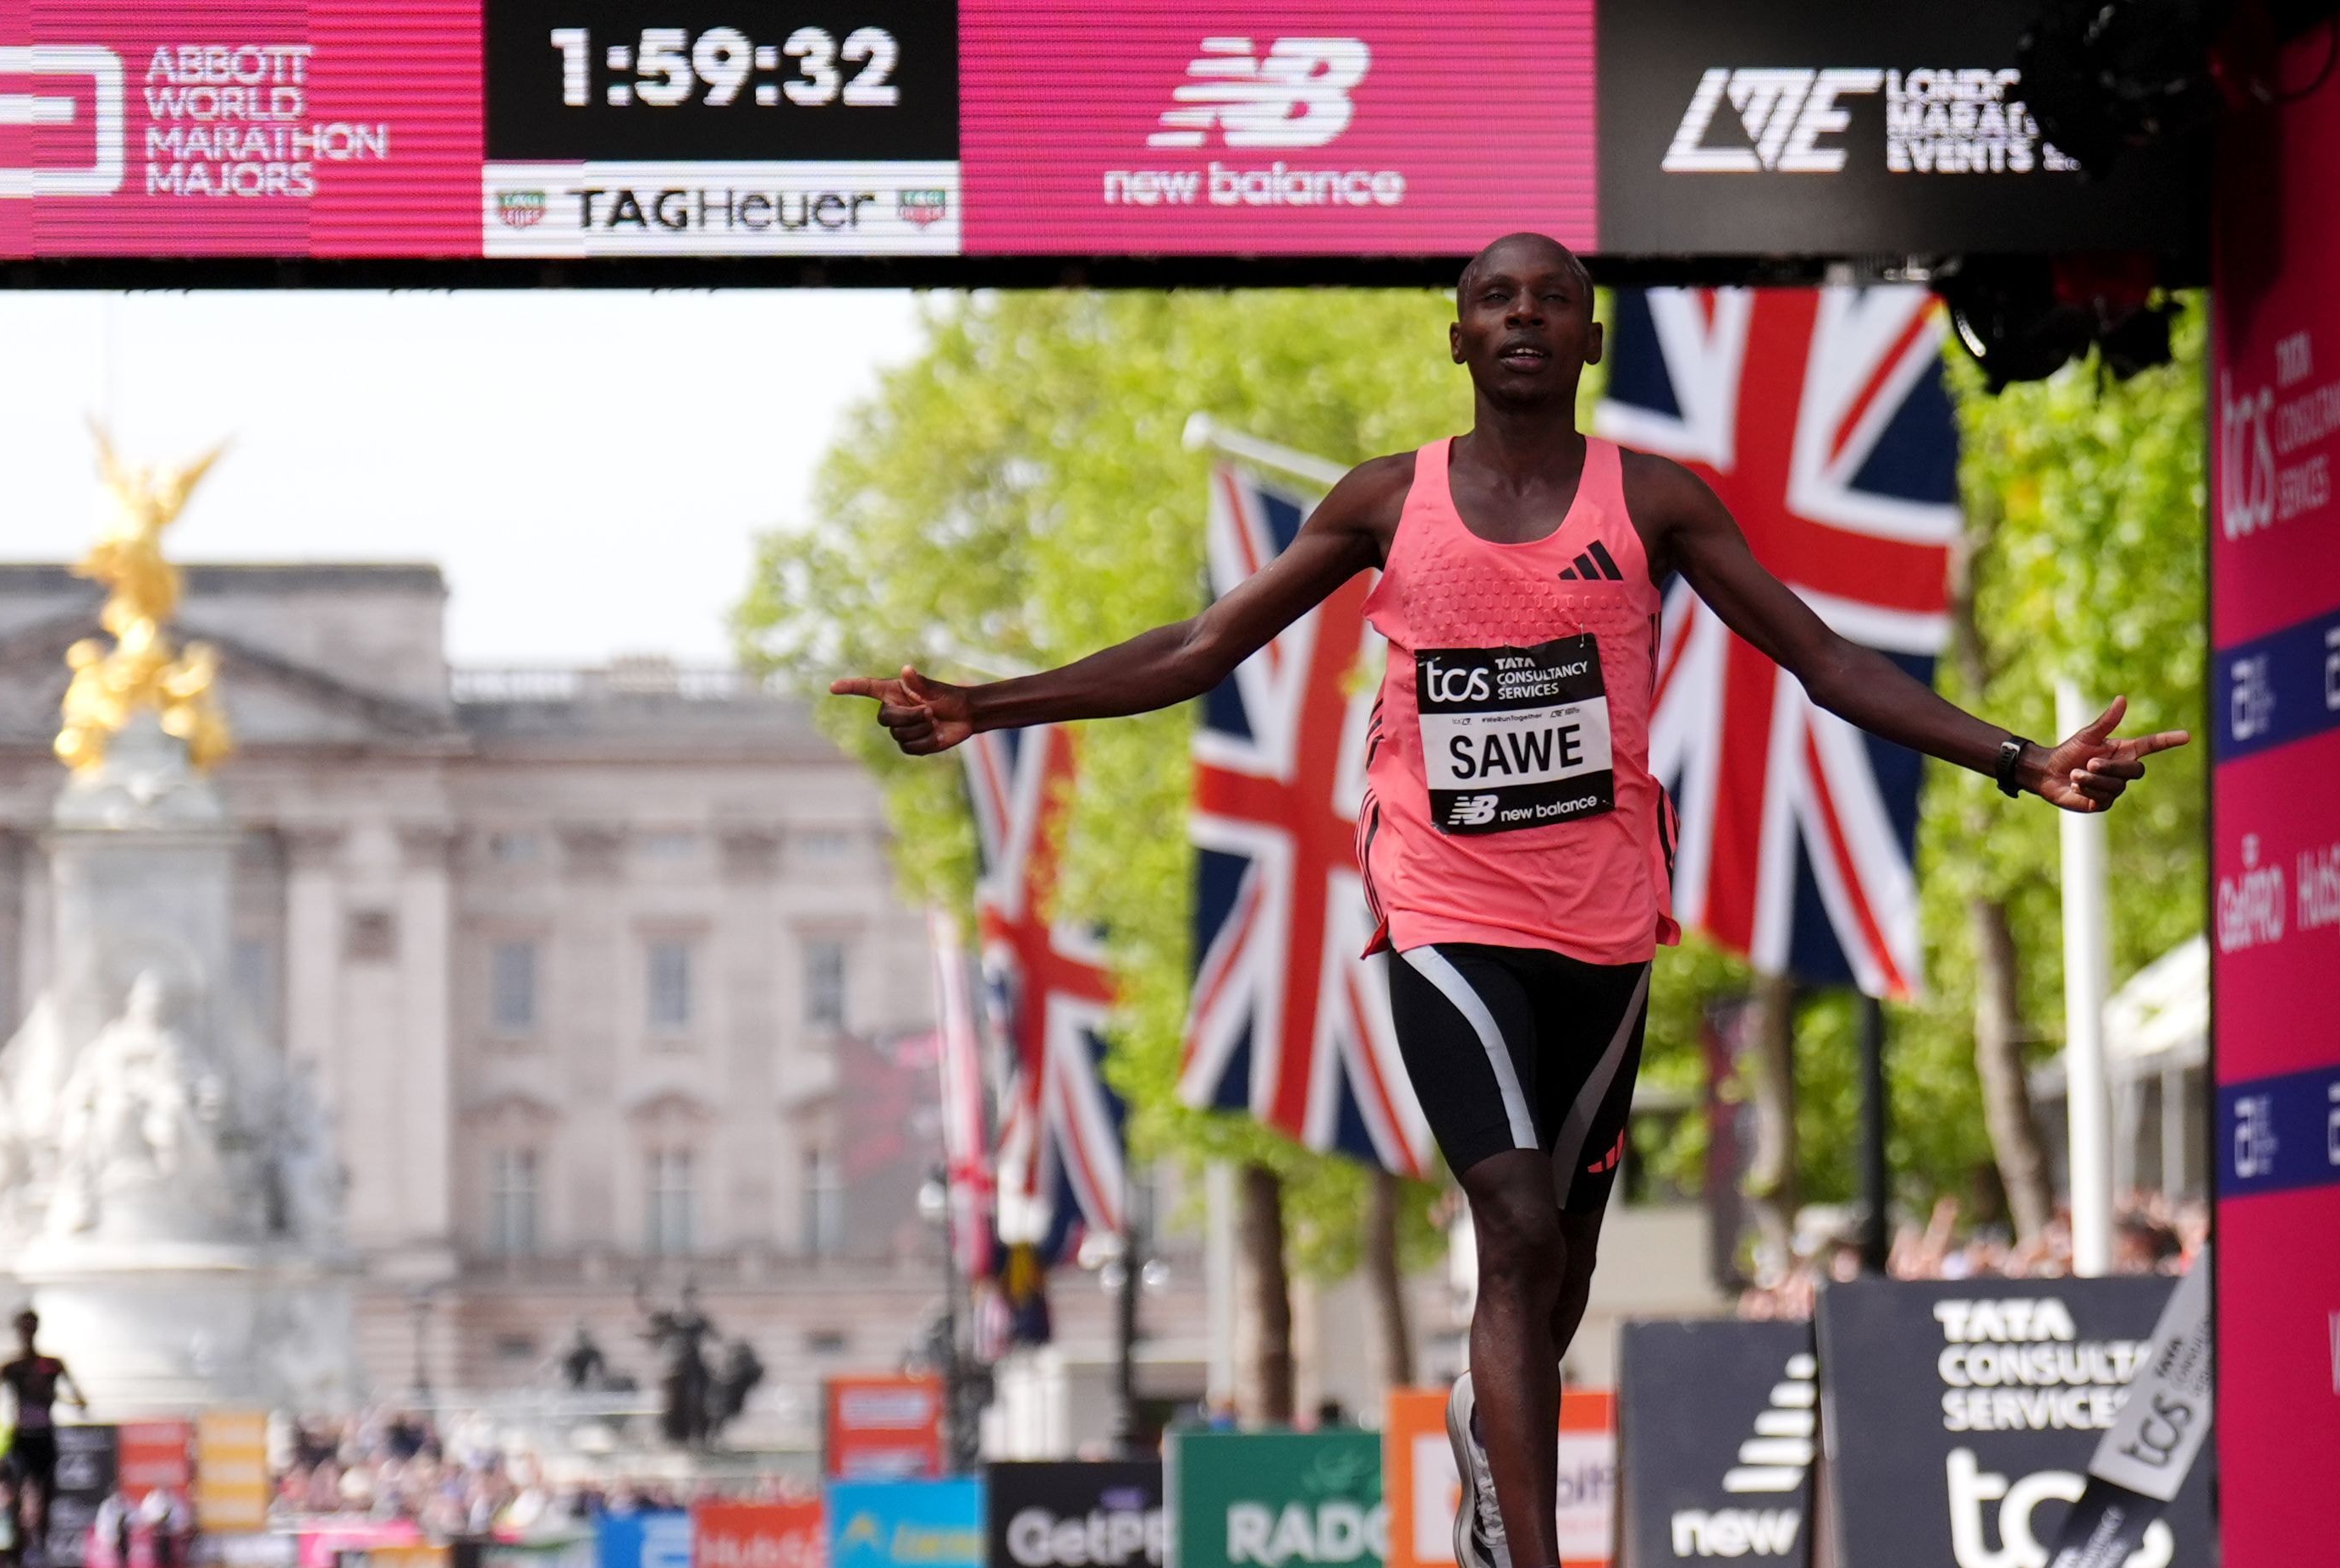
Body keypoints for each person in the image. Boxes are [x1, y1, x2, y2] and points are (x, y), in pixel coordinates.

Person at [831, 233, 2186, 1568]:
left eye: (1550, 300)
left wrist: (2018, 758)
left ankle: (1492, 1445)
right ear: (1458, 336)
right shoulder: (1386, 501)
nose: (1522, 316)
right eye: (1493, 298)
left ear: (1589, 340)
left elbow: (1823, 658)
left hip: (1604, 923)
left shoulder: (1653, 500)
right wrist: (984, 707)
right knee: (1516, 1225)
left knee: (1559, 1269)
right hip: (1443, 909)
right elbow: (1200, 645)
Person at [0, 1309, 87, 1564]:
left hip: (43, 1436)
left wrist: (52, 1396)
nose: (27, 1334)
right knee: (16, 1496)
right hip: (22, 1436)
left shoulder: (50, 1366)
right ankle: (18, 1548)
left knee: (46, 1495)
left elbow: (80, 1400)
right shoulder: (11, 1368)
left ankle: (40, 1546)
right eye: (24, 1328)